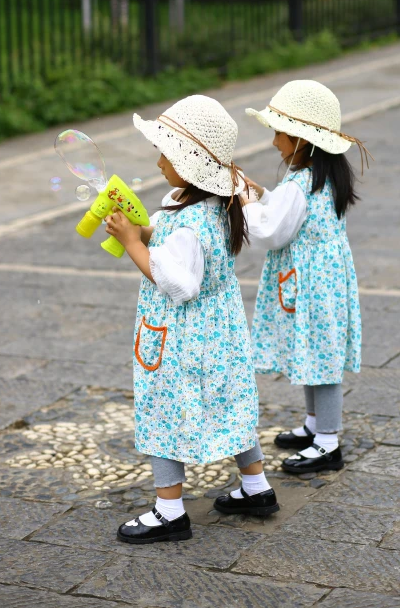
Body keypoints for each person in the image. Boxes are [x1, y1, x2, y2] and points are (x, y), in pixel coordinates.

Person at [105, 95, 279, 546]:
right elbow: (168, 241)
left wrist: (131, 244)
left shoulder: (190, 222)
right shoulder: (208, 204)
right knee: (229, 403)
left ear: (189, 163)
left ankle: (169, 511)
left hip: (183, 338)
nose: (159, 160)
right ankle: (257, 487)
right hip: (218, 333)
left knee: (163, 410)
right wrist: (141, 231)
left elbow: (176, 282)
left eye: (167, 152)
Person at [241, 80, 371, 475]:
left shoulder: (301, 183)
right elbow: (285, 210)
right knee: (314, 351)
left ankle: (327, 443)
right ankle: (316, 426)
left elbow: (270, 232)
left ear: (302, 139)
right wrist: (262, 194)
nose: (275, 141)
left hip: (312, 283)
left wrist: (247, 205)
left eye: (279, 132)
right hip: (323, 279)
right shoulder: (320, 175)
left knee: (321, 359)